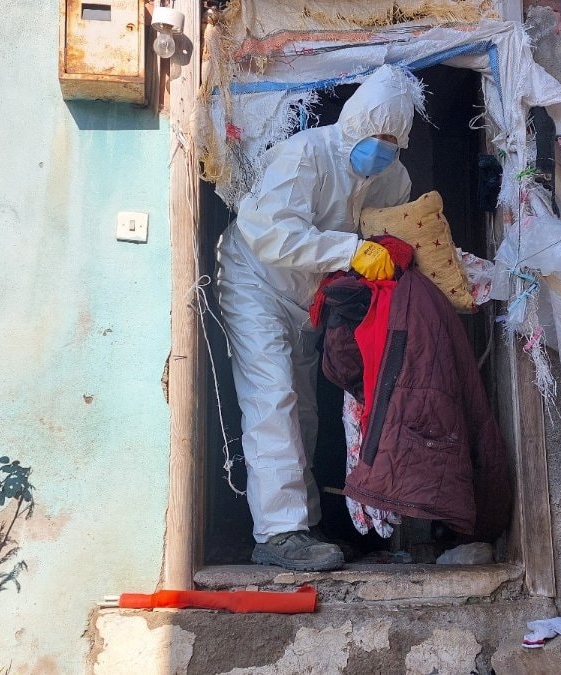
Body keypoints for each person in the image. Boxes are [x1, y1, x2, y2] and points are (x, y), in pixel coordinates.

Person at [217, 65, 424, 571]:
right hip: (256, 284)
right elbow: (272, 235)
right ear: (352, 123)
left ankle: (303, 528)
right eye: (373, 135)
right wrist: (350, 251)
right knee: (272, 398)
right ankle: (278, 532)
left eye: (391, 141)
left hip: (309, 301)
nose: (380, 149)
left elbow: (391, 233)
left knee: (303, 410)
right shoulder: (305, 154)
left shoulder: (393, 177)